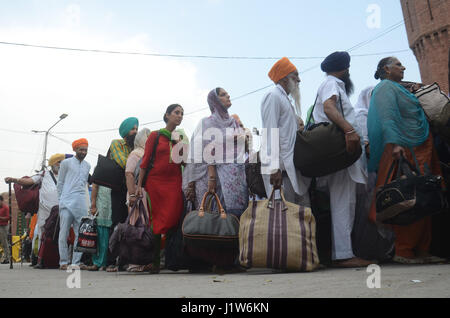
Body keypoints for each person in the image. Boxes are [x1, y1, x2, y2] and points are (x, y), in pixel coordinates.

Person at [368, 56, 446, 264]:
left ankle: (422, 249)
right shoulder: (385, 88)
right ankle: (404, 250)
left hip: (422, 147)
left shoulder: (401, 88)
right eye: (398, 65)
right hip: (404, 148)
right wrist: (396, 144)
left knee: (427, 196)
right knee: (409, 198)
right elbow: (387, 117)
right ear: (386, 69)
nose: (403, 67)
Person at [313, 51, 371, 268]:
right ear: (345, 69)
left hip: (343, 154)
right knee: (342, 202)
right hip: (340, 152)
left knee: (346, 202)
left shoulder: (333, 83)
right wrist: (349, 131)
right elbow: (329, 107)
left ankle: (345, 252)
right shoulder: (332, 83)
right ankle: (344, 255)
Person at [184, 89, 249, 218]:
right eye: (223, 95)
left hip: (234, 178)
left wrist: (242, 139)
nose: (228, 95)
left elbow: (241, 148)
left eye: (227, 93)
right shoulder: (207, 122)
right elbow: (208, 150)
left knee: (234, 219)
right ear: (215, 101)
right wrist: (212, 178)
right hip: (209, 178)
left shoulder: (233, 122)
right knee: (211, 217)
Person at [136, 104, 185, 274]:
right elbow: (145, 162)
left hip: (175, 182)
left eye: (181, 114)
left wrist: (179, 145)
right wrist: (139, 186)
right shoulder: (155, 136)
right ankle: (155, 261)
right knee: (157, 220)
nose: (179, 116)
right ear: (167, 115)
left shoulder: (178, 137)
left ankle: (171, 259)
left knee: (173, 217)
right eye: (176, 113)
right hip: (156, 183)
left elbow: (184, 162)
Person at [260, 57, 310, 206]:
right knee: (281, 219)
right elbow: (270, 132)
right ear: (284, 78)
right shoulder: (273, 96)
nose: (299, 80)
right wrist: (274, 168)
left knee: (298, 215)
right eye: (295, 76)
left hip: (290, 169)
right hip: (279, 170)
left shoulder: (285, 101)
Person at [5, 153, 65, 266]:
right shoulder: (44, 175)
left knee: (62, 233)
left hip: (61, 210)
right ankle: (40, 259)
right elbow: (28, 182)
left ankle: (60, 260)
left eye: (62, 162)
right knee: (42, 232)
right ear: (53, 164)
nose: (61, 164)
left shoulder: (66, 176)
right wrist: (15, 180)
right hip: (45, 211)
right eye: (59, 162)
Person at [106, 117, 138, 272]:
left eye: (137, 129)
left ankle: (126, 260)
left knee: (131, 225)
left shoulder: (136, 147)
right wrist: (138, 161)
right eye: (133, 129)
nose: (135, 131)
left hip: (133, 190)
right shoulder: (116, 144)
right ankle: (111, 261)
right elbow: (124, 162)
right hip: (119, 190)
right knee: (117, 224)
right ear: (126, 131)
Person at [57, 138, 91, 270]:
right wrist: (60, 200)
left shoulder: (87, 165)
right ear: (75, 149)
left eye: (85, 150)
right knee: (64, 233)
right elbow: (60, 183)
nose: (83, 152)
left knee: (80, 233)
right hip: (66, 202)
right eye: (81, 149)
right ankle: (63, 262)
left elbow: (84, 185)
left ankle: (76, 262)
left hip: (80, 203)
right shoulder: (66, 163)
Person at [124, 128, 151, 272]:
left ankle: (144, 260)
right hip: (136, 194)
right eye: (147, 136)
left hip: (145, 194)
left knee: (145, 227)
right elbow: (129, 174)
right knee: (135, 228)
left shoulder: (146, 154)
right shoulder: (135, 154)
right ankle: (134, 262)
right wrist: (132, 195)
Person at [87, 183, 112, 271]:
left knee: (105, 239)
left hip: (110, 208)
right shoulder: (100, 170)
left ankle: (103, 262)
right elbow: (94, 187)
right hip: (101, 207)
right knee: (99, 238)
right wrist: (93, 205)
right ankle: (98, 262)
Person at [0, 195, 10, 264]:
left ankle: (7, 258)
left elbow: (8, 217)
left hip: (3, 226)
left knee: (4, 243)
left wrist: (0, 218)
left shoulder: (5, 207)